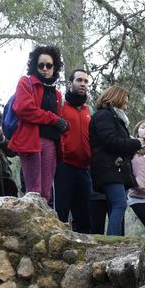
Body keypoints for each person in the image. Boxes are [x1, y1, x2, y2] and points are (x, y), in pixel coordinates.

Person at [7, 45, 68, 202]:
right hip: (30, 141)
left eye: (49, 65)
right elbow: (25, 109)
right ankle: (30, 224)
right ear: (35, 66)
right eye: (41, 65)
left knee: (46, 193)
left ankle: (45, 225)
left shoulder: (57, 93)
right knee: (33, 191)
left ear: (55, 68)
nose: (45, 69)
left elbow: (59, 121)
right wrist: (53, 119)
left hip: (51, 143)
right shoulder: (25, 83)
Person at [88, 85, 141, 236]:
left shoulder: (115, 118)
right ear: (116, 97)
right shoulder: (104, 115)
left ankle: (115, 238)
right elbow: (110, 141)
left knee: (116, 204)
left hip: (115, 169)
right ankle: (113, 240)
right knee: (120, 204)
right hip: (108, 168)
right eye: (125, 100)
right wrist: (135, 144)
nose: (126, 104)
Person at [54, 69, 93, 230]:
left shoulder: (88, 110)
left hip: (84, 169)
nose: (83, 84)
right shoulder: (61, 106)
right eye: (79, 80)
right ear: (71, 83)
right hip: (64, 166)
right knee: (61, 212)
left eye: (85, 81)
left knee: (84, 216)